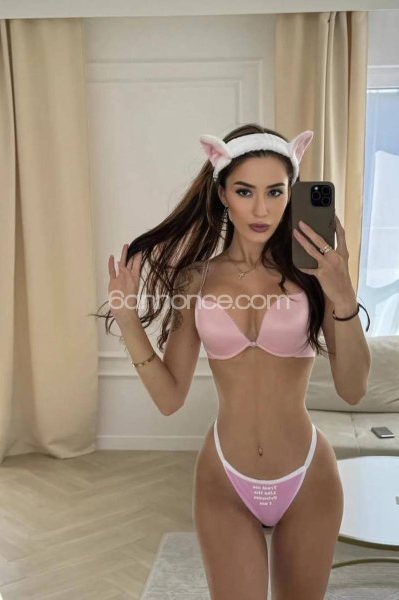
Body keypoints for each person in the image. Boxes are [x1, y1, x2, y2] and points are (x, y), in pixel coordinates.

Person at [93, 123, 371, 600]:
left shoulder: (314, 277)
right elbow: (170, 398)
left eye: (275, 192)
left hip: (308, 476)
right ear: (223, 194)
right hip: (225, 477)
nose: (261, 209)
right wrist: (128, 320)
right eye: (245, 191)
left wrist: (342, 295)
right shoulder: (196, 280)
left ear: (291, 194)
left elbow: (354, 388)